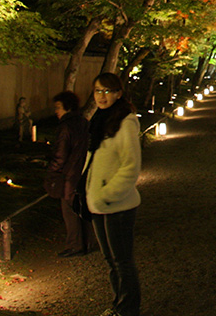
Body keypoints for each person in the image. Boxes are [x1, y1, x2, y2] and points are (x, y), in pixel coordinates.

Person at [85, 73, 142, 316]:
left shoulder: (125, 122)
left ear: (119, 93)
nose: (102, 96)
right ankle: (118, 303)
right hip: (98, 202)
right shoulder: (100, 120)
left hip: (118, 204)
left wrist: (108, 193)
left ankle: (128, 309)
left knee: (122, 261)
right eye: (98, 91)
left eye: (108, 91)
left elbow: (131, 166)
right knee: (110, 261)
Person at [45, 90, 94, 257]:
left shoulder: (65, 127)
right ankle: (87, 242)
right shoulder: (83, 122)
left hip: (70, 175)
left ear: (67, 107)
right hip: (84, 171)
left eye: (58, 107)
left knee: (70, 210)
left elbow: (60, 154)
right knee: (82, 208)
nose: (56, 111)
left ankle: (75, 245)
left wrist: (52, 173)